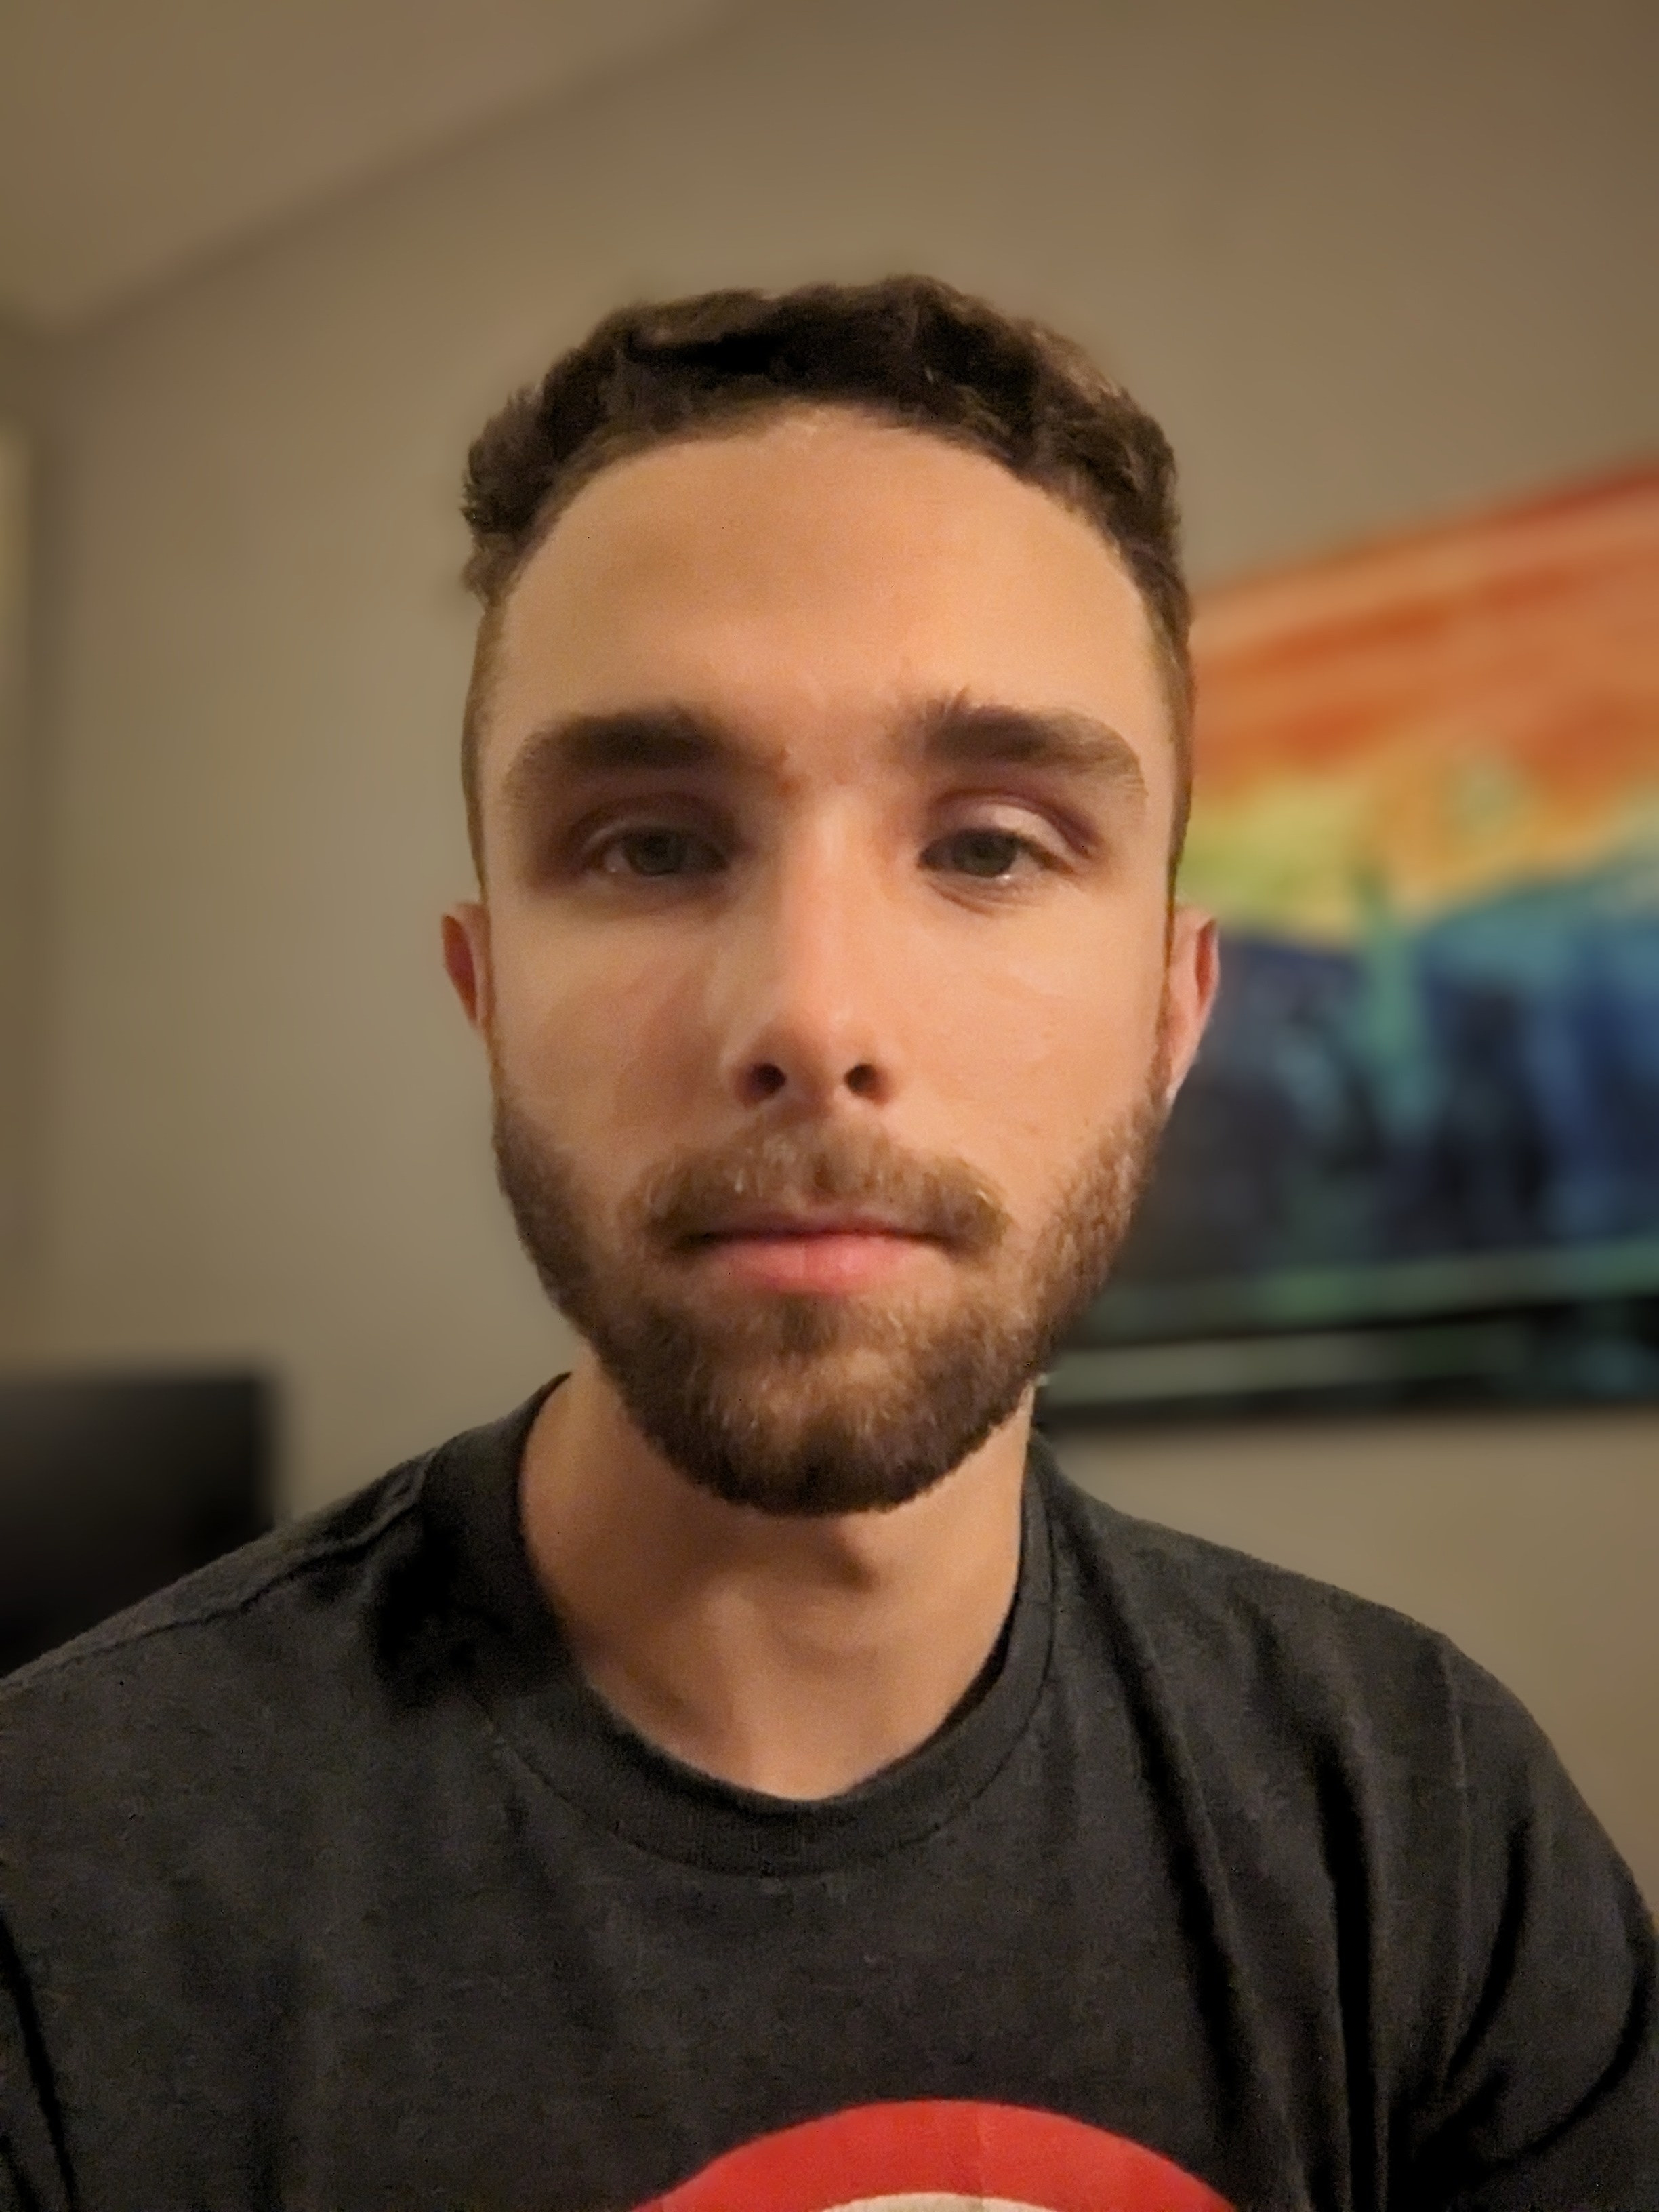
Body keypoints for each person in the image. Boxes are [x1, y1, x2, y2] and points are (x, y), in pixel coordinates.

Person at [1, 277, 1653, 2212]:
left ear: (1173, 1012)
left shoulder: (1430, 1834)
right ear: (486, 994)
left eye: (990, 846)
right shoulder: (60, 1881)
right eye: (652, 844)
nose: (813, 1014)